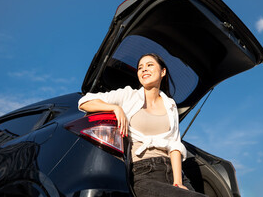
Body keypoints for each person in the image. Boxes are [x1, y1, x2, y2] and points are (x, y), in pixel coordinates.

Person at [78, 53, 205, 197]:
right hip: (144, 171)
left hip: (174, 172)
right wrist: (115, 108)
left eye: (150, 65)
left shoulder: (170, 105)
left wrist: (178, 181)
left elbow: (174, 144)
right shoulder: (128, 95)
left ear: (163, 72)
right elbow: (85, 102)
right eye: (140, 68)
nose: (144, 69)